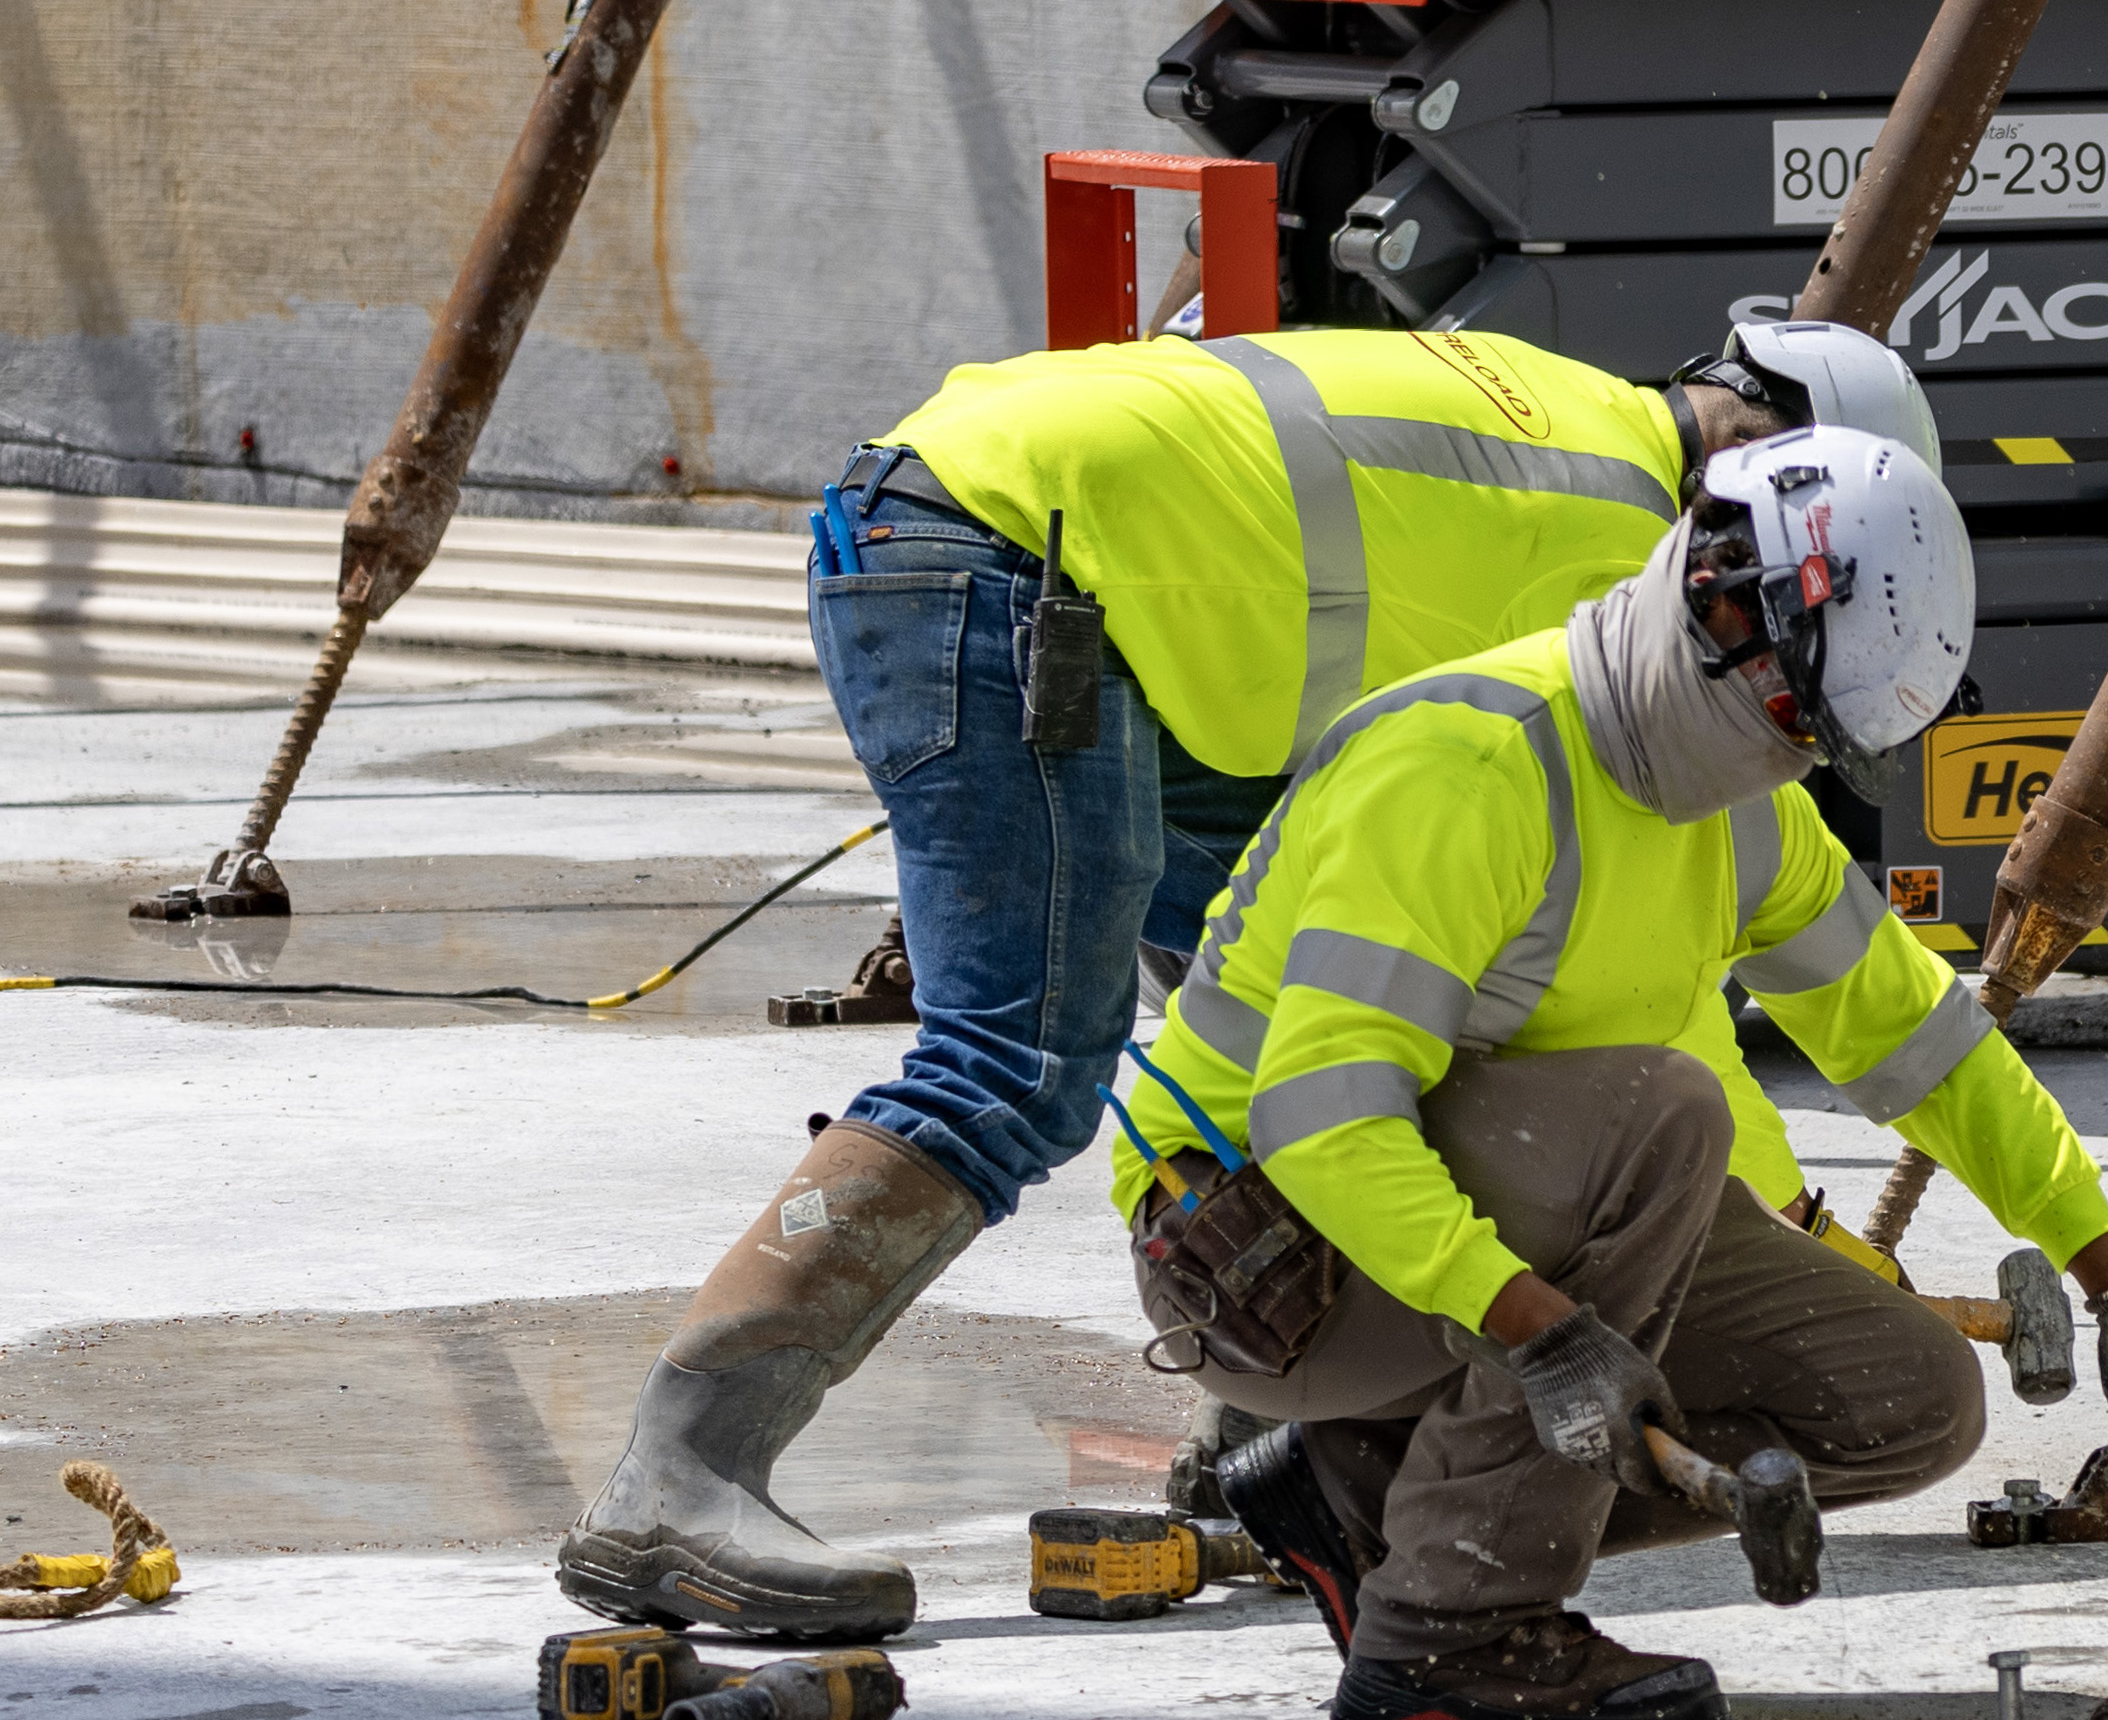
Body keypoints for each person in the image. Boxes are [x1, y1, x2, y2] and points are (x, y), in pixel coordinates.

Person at [554, 306, 1937, 1640]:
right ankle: (684, 1470)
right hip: (1010, 563)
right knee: (1018, 1060)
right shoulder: (1635, 553)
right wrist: (1770, 1223)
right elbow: (1646, 991)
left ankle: (1276, 1435)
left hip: (1010, 535)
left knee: (1299, 958)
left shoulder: (1558, 406)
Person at [1119, 427, 2108, 1720]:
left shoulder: (1739, 813)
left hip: (1461, 1221)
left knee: (1908, 1395)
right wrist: (1536, 1328)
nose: (1804, 757)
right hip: (1257, 1255)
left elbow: (1912, 1035)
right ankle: (1451, 1629)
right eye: (1802, 719)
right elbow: (1320, 1117)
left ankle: (1371, 1500)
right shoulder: (1474, 766)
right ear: (1723, 613)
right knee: (1666, 1115)